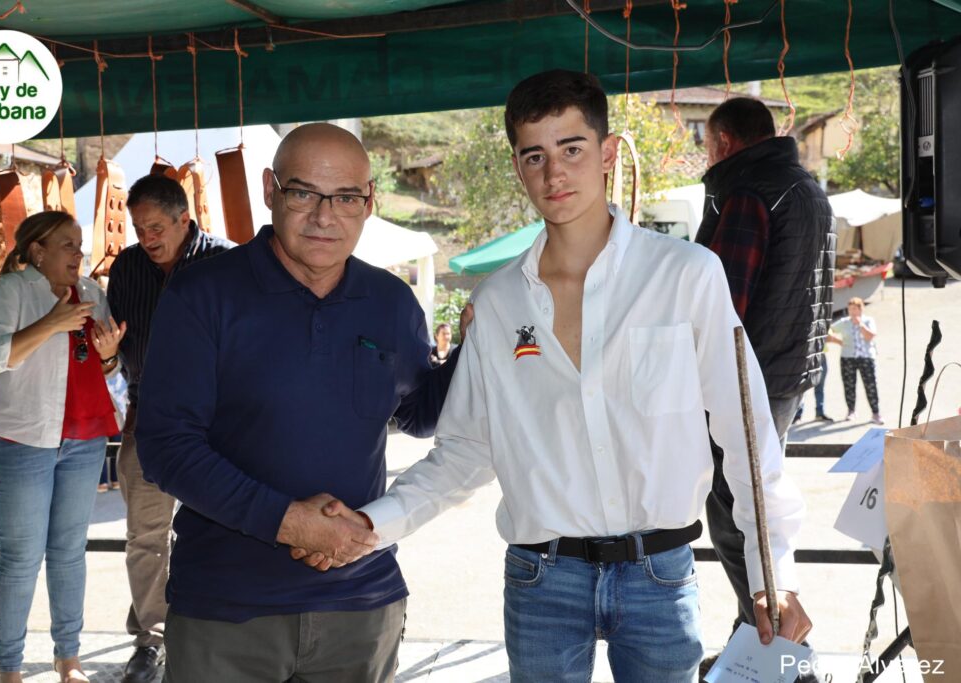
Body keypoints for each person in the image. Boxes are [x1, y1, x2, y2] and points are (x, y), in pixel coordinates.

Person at [314, 70, 810, 682]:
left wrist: (772, 575)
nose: (554, 174)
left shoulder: (686, 275)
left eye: (572, 149)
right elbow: (465, 452)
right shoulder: (497, 303)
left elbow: (747, 432)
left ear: (607, 153)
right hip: (542, 579)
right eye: (535, 156)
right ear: (517, 167)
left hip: (660, 575)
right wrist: (372, 525)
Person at [134, 123, 462, 682]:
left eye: (346, 198)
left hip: (361, 603)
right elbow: (166, 447)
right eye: (304, 193)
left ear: (369, 201)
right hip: (227, 608)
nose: (324, 216)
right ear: (270, 190)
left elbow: (419, 414)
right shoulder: (202, 294)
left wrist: (475, 347)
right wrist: (287, 522)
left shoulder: (390, 302)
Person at [695, 96, 835, 646]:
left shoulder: (748, 192)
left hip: (746, 378)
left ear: (724, 142)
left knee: (739, 516)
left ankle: (774, 649)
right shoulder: (807, 188)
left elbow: (719, 304)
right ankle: (755, 641)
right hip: (791, 371)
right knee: (759, 508)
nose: (706, 157)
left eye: (707, 146)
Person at [0, 210, 126, 683]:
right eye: (68, 245)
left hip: (84, 438)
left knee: (69, 553)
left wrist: (109, 356)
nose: (79, 254)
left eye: (80, 245)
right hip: (22, 437)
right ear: (38, 251)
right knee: (21, 557)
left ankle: (69, 660)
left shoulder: (93, 292)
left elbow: (106, 368)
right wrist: (51, 323)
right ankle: (9, 668)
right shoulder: (13, 290)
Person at [106, 174, 232, 683]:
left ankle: (220, 631)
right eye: (139, 229)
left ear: (185, 218)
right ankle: (151, 640)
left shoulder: (227, 262)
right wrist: (107, 358)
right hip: (149, 416)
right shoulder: (127, 267)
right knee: (146, 536)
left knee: (224, 526)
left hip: (220, 419)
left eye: (156, 227)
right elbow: (113, 350)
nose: (146, 238)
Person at [827, 297, 881, 424]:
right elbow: (829, 330)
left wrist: (860, 325)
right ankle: (851, 410)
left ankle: (876, 413)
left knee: (870, 385)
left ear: (861, 309)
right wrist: (838, 341)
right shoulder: (844, 322)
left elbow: (870, 336)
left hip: (866, 357)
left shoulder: (868, 321)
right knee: (849, 385)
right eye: (850, 309)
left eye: (855, 309)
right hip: (848, 358)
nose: (852, 312)